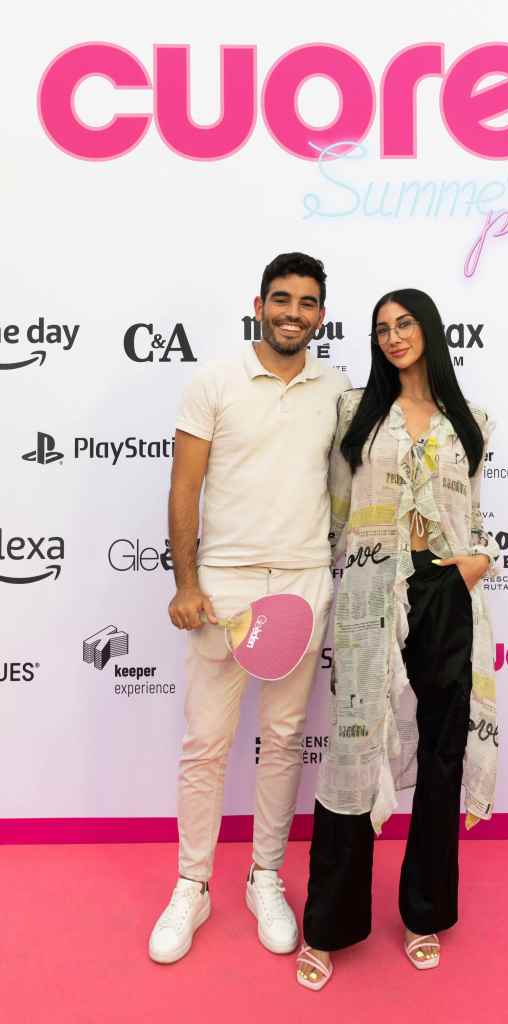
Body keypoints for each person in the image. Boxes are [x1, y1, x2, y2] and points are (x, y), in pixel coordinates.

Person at [149, 253, 350, 964]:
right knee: (206, 742)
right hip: (224, 587)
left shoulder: (336, 389)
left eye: (307, 302)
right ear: (259, 306)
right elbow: (184, 487)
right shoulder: (214, 380)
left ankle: (265, 876)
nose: (294, 313)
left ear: (320, 314)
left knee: (285, 738)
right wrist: (186, 583)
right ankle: (192, 884)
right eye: (281, 299)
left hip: (302, 579)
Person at [296, 288, 500, 990]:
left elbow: (473, 510)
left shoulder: (470, 421)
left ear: (429, 330)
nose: (392, 337)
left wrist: (475, 560)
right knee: (352, 749)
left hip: (444, 589)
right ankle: (329, 925)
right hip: (368, 591)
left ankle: (424, 915)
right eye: (381, 328)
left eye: (404, 323)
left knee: (442, 752)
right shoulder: (355, 412)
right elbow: (335, 512)